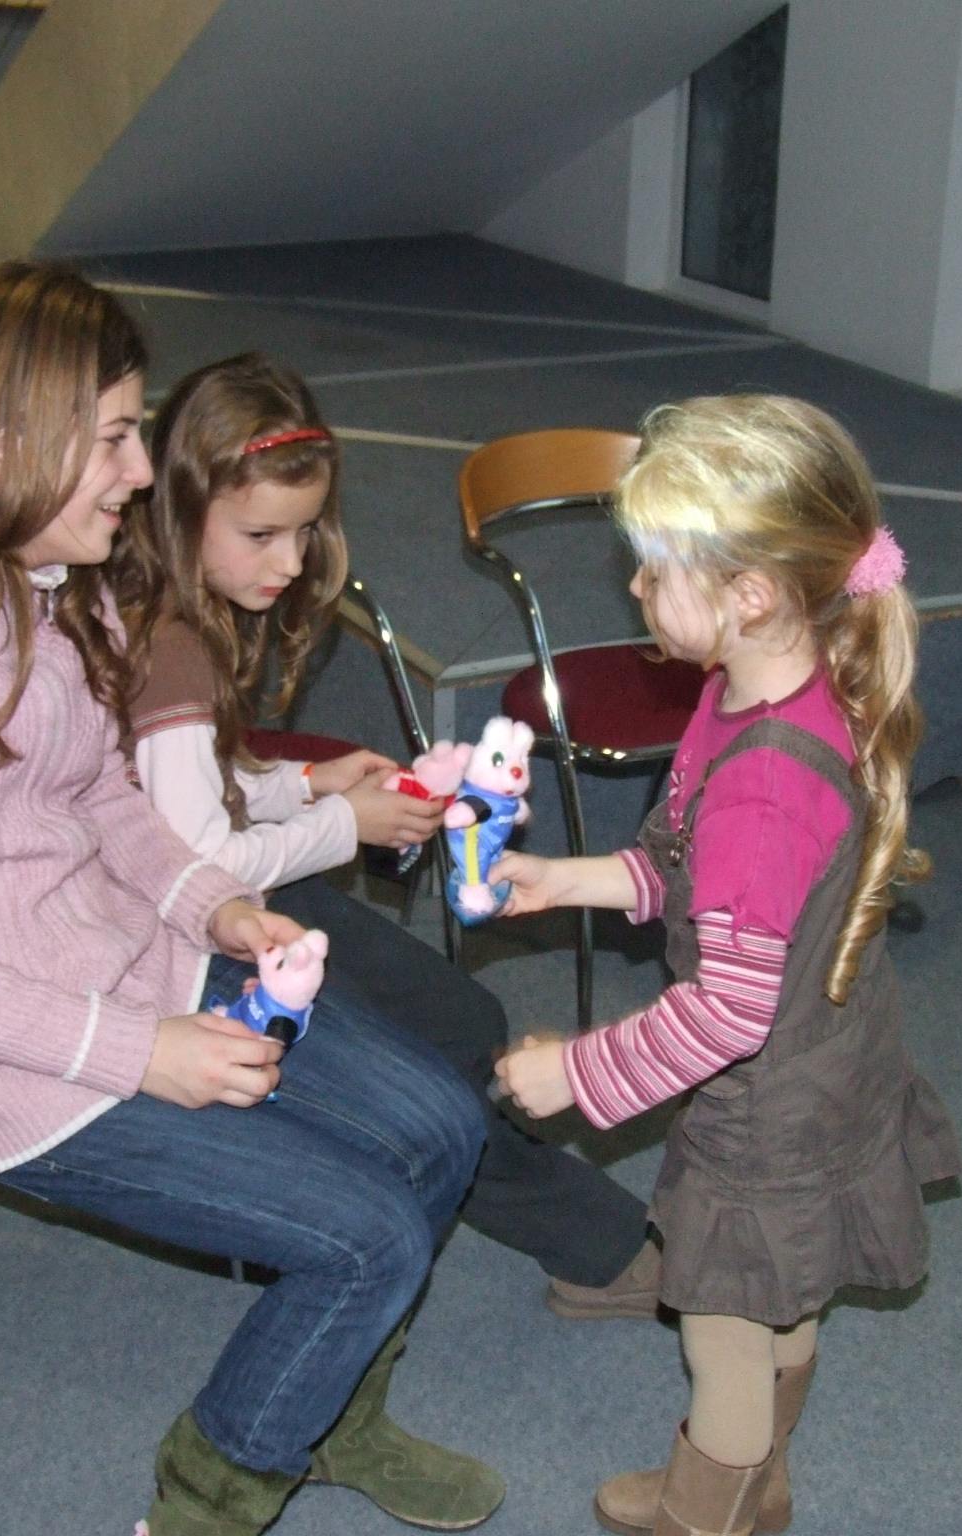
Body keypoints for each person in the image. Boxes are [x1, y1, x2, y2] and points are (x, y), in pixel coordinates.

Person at [0, 264, 502, 1536]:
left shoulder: (42, 594)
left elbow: (101, 796)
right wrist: (139, 1052)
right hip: (2, 1060)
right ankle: (209, 1500)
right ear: (6, 450)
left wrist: (213, 906)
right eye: (111, 438)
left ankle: (317, 1411)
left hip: (127, 962)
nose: (140, 471)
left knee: (440, 1124)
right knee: (368, 1236)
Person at [491, 396, 962, 1536]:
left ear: (749, 594)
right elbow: (680, 864)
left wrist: (575, 1074)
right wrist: (570, 879)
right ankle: (765, 1491)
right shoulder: (762, 684)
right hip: (832, 1056)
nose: (636, 588)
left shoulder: (763, 782)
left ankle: (703, 1511)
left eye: (654, 572)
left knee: (721, 1331)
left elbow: (724, 1015)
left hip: (768, 1102)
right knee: (782, 1294)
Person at [109, 352, 655, 1310]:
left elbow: (190, 788)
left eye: (305, 530)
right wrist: (341, 823)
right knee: (435, 1083)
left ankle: (548, 1209)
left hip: (248, 900)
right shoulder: (169, 649)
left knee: (465, 1021)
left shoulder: (188, 620)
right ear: (179, 512)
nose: (290, 562)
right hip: (181, 939)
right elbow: (198, 864)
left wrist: (301, 783)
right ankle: (605, 1252)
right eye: (261, 534)